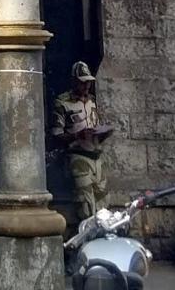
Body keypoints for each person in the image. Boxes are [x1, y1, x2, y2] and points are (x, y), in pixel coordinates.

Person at [52, 59, 112, 225]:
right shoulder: (63, 102)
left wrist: (104, 133)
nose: (86, 86)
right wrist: (77, 135)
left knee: (103, 200)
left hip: (96, 155)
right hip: (78, 157)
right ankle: (87, 232)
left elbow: (95, 125)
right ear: (74, 82)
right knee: (85, 203)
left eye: (88, 82)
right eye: (82, 82)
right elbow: (56, 136)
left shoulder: (92, 101)